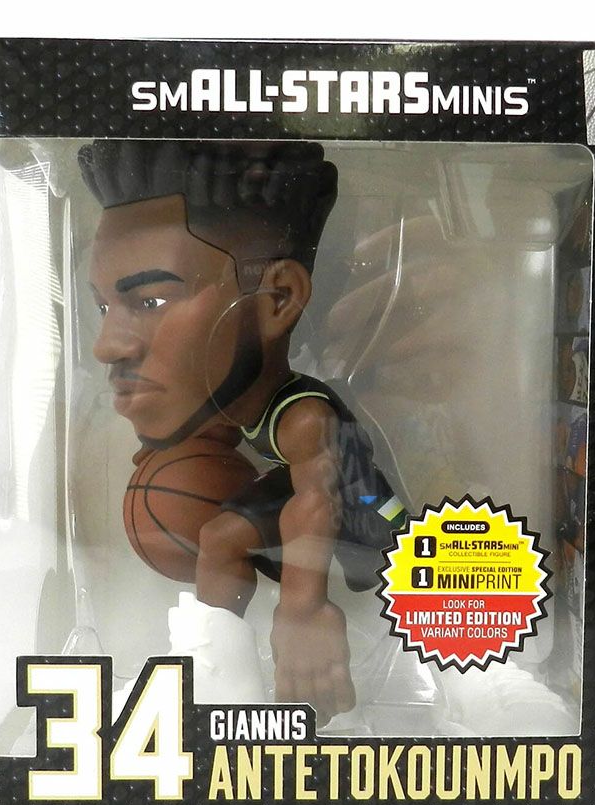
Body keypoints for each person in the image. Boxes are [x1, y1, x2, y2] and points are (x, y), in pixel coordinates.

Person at [79, 140, 406, 724]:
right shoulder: (231, 397)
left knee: (229, 539)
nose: (107, 345)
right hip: (304, 494)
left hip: (370, 516)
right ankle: (217, 680)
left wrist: (303, 606)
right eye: (105, 308)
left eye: (151, 299)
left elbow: (317, 500)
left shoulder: (303, 417)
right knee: (222, 538)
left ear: (278, 297)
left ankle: (430, 670)